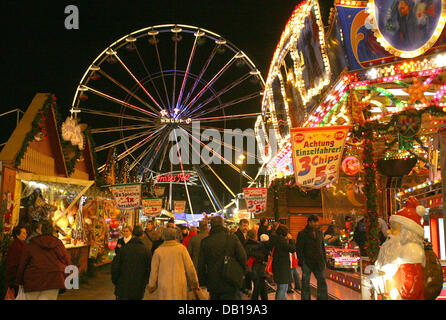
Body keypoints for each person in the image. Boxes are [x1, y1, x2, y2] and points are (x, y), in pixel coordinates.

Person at [374, 196, 426, 299]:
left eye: (394, 229)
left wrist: (400, 295)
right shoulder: (396, 248)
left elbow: (413, 281)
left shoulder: (411, 250)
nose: (389, 232)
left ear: (406, 231)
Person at [15, 221, 71, 300]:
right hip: (54, 280)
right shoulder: (58, 244)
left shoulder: (32, 244)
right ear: (52, 231)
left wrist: (18, 281)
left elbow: (23, 264)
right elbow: (67, 262)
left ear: (40, 231)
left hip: (33, 280)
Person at [198, 216, 247, 300]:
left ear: (211, 226)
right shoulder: (232, 238)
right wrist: (241, 271)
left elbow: (201, 264)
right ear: (223, 224)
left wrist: (203, 281)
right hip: (230, 278)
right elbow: (242, 256)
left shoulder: (205, 242)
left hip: (213, 281)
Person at [148, 228, 199, 299]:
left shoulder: (158, 251)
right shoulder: (182, 249)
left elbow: (154, 271)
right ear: (175, 236)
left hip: (164, 285)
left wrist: (151, 285)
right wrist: (195, 282)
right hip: (179, 284)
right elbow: (190, 267)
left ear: (164, 237)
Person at [111, 225, 151, 300]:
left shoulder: (124, 249)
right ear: (142, 235)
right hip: (138, 288)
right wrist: (144, 283)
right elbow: (148, 270)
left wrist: (116, 281)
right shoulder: (146, 251)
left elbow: (115, 267)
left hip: (123, 286)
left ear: (132, 234)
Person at [296, 215, 328, 300]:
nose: (317, 224)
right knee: (306, 283)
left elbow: (322, 247)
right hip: (307, 262)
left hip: (318, 262)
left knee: (322, 282)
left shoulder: (319, 232)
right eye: (315, 222)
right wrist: (302, 262)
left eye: (317, 222)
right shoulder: (302, 233)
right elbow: (299, 249)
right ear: (309, 222)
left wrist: (324, 260)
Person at [270, 224, 296, 300]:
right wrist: (291, 240)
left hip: (278, 266)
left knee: (281, 288)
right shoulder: (281, 241)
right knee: (282, 287)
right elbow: (292, 249)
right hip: (282, 267)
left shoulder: (275, 239)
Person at [245, 229, 269, 300]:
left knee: (261, 286)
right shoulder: (258, 245)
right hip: (257, 268)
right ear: (255, 236)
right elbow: (261, 256)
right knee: (258, 287)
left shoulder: (247, 244)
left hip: (253, 267)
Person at [5, 225, 27, 298]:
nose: (25, 235)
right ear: (17, 235)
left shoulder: (22, 244)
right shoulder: (16, 246)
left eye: (25, 233)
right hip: (15, 278)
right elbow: (14, 264)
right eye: (23, 233)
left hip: (17, 278)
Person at [234, 219, 251, 295]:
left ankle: (247, 287)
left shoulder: (249, 234)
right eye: (244, 226)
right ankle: (242, 288)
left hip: (248, 257)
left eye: (247, 226)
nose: (245, 227)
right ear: (240, 226)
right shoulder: (236, 234)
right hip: (240, 257)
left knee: (247, 273)